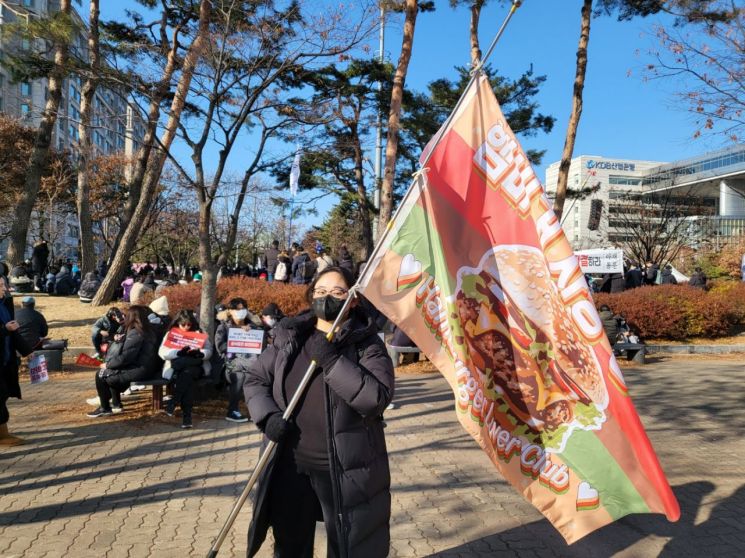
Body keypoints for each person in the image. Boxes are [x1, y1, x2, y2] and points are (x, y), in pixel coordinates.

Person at [243, 266, 394, 558]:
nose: (327, 298)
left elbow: (376, 398)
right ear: (311, 295)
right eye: (321, 291)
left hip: (343, 469)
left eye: (338, 292)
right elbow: (256, 380)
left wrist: (333, 362)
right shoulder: (291, 337)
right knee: (290, 544)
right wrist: (267, 416)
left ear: (352, 300)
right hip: (289, 464)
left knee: (347, 546)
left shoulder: (366, 343)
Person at [87, 306, 159, 417]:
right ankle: (116, 404)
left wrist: (107, 364)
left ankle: (105, 407)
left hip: (140, 370)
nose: (124, 318)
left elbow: (126, 357)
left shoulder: (136, 333)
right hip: (147, 367)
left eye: (126, 315)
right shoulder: (148, 330)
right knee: (111, 371)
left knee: (101, 374)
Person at [158, 310, 212, 429]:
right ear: (178, 323)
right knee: (187, 376)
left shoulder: (199, 333)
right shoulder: (171, 334)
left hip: (196, 366)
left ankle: (174, 402)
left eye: (189, 324)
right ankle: (186, 417)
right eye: (184, 325)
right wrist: (178, 352)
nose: (187, 327)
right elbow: (162, 352)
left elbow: (209, 350)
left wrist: (200, 353)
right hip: (178, 367)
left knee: (187, 373)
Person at [215, 298, 263, 422]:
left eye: (243, 309)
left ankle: (255, 411)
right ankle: (232, 411)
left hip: (251, 364)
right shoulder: (224, 327)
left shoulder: (253, 327)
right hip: (231, 365)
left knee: (253, 378)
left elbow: (260, 345)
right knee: (240, 377)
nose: (240, 312)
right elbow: (220, 346)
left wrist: (251, 332)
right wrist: (236, 342)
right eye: (237, 309)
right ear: (230, 311)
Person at [0, 281, 34, 446]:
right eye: (0, 286)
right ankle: (2, 434)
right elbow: (7, 330)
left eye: (3, 285)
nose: (4, 289)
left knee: (3, 394)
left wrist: (28, 351)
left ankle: (3, 433)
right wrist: (5, 329)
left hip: (6, 359)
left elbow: (14, 333)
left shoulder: (5, 305)